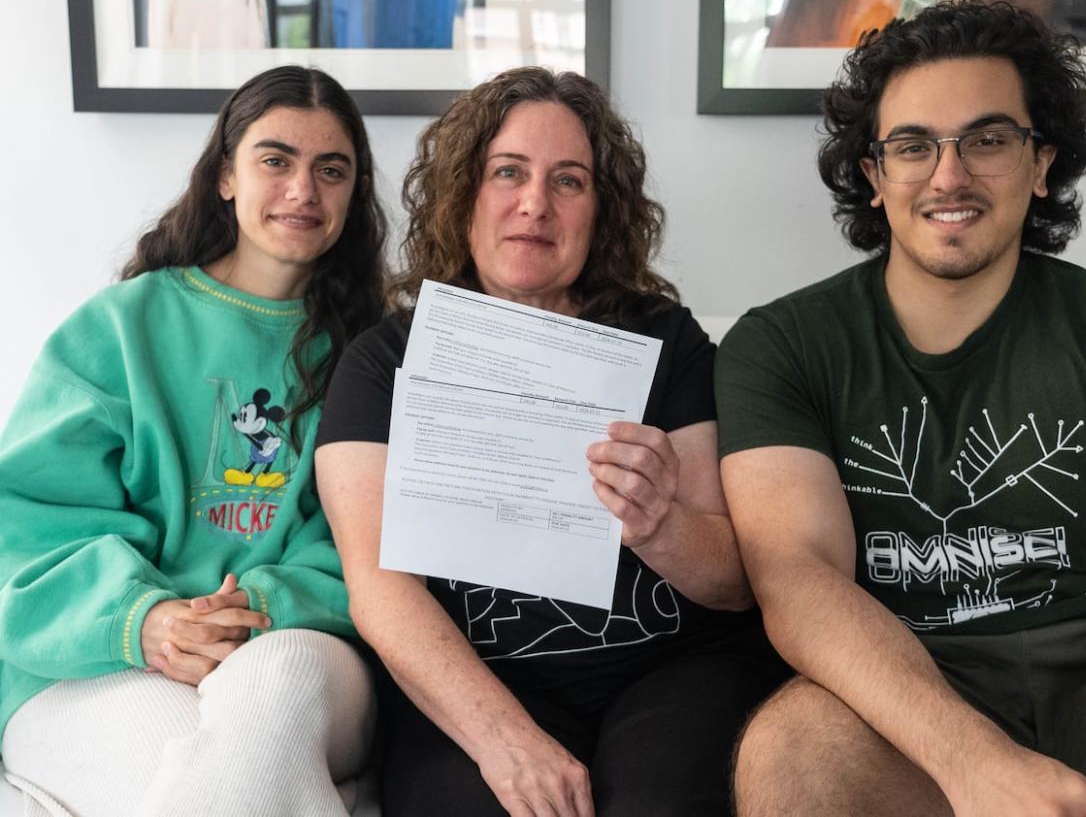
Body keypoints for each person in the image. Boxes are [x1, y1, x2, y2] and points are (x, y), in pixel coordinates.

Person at [717, 0, 1086, 817]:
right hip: (912, 689)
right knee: (792, 754)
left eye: (988, 140)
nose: (950, 175)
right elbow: (796, 576)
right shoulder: (780, 344)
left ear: (1040, 164)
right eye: (914, 146)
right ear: (874, 175)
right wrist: (974, 764)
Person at [315, 66, 786, 817]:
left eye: (569, 181)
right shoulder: (384, 362)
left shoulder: (667, 342)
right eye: (508, 173)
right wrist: (505, 740)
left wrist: (662, 522)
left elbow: (734, 580)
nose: (535, 203)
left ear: (601, 210)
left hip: (671, 668)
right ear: (464, 191)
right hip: (484, 678)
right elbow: (380, 591)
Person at [0, 65, 387, 816]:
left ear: (351, 192)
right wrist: (145, 620)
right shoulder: (119, 328)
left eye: (330, 169)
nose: (303, 190)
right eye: (276, 160)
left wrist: (250, 612)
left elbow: (376, 543)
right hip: (98, 655)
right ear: (225, 177)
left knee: (269, 693)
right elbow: (25, 524)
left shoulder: (374, 354)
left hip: (299, 643)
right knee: (217, 776)